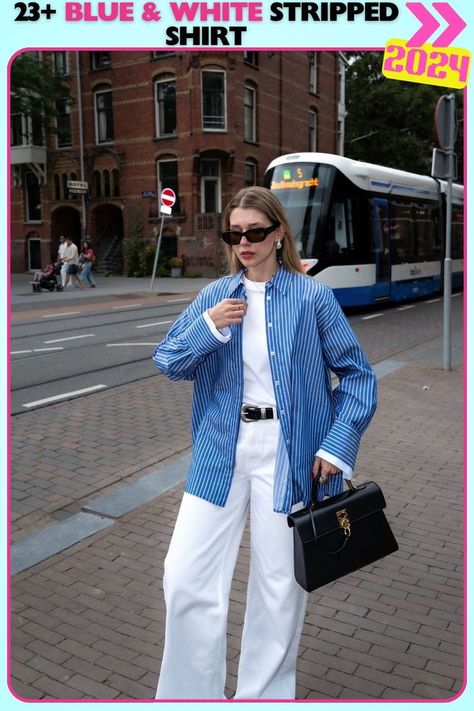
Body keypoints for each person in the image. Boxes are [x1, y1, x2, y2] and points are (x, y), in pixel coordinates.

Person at [152, 186, 377, 700]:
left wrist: (336, 446)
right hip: (220, 451)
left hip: (291, 452)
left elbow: (358, 376)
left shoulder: (312, 297)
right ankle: (191, 694)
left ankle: (263, 696)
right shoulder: (215, 298)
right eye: (235, 234)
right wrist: (208, 330)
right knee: (184, 576)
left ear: (279, 233)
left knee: (279, 587)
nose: (244, 242)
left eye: (255, 232)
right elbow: (167, 361)